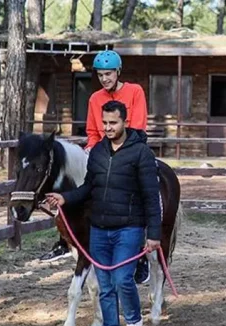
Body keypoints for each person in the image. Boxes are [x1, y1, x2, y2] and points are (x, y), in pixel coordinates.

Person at [46, 100, 161, 326]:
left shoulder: (141, 153)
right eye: (105, 123)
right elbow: (89, 187)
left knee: (122, 280)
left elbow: (151, 197)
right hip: (99, 227)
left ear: (125, 122)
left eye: (113, 123)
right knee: (105, 284)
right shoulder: (98, 152)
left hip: (129, 227)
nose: (108, 128)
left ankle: (133, 322)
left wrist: (153, 234)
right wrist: (67, 198)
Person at [39, 50, 151, 287]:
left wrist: (121, 152)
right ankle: (68, 237)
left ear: (118, 72)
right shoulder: (94, 99)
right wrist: (92, 150)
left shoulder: (135, 91)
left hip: (130, 149)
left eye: (109, 74)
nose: (105, 79)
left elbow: (138, 126)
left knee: (140, 190)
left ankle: (141, 252)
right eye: (100, 75)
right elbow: (92, 132)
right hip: (101, 152)